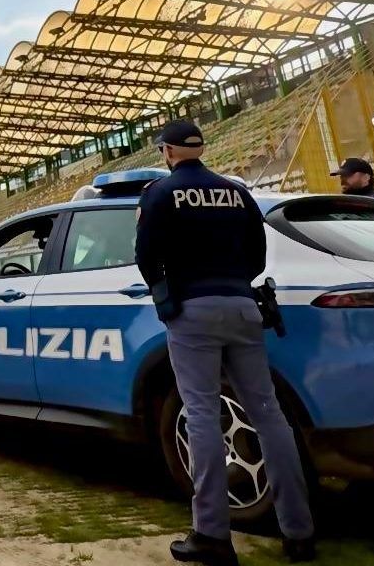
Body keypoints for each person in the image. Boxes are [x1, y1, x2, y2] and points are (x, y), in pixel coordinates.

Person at [135, 120, 315, 565]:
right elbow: (257, 255)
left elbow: (145, 256)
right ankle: (299, 531)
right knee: (269, 415)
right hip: (241, 305)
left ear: (167, 152)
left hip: (192, 311)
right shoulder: (236, 192)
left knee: (200, 415)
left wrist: (167, 297)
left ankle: (212, 534)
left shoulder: (159, 194)